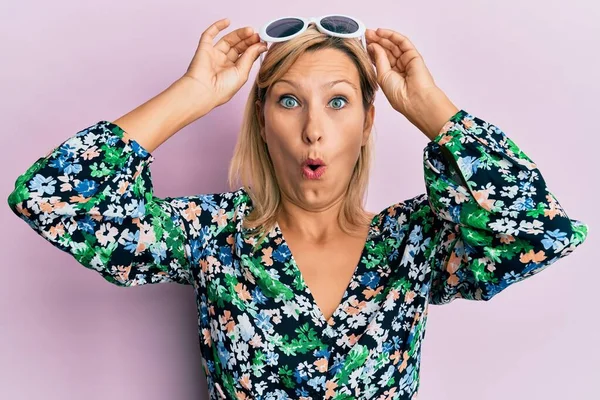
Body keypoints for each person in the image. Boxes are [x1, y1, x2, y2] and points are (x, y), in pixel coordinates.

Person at [7, 15, 588, 400]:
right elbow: (55, 198)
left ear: (367, 122)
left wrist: (429, 106)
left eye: (338, 102)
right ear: (262, 121)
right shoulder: (214, 235)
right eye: (288, 101)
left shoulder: (414, 243)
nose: (314, 130)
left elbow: (536, 228)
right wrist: (193, 95)